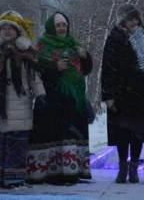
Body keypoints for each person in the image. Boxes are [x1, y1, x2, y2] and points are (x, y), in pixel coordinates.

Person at [0, 10, 46, 189]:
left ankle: (14, 177)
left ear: (18, 31)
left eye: (10, 28)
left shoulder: (27, 53)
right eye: (3, 28)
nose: (6, 31)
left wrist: (41, 95)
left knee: (15, 144)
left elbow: (35, 78)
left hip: (19, 106)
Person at [101, 4, 144, 184]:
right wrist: (108, 95)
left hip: (142, 92)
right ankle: (122, 168)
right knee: (122, 132)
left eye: (137, 19)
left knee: (138, 131)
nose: (134, 22)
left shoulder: (143, 36)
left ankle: (134, 168)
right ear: (123, 20)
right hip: (122, 93)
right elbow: (107, 68)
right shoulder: (114, 38)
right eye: (131, 19)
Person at [27, 12, 94, 185]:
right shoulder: (42, 46)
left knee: (71, 134)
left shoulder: (73, 45)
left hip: (73, 102)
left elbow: (85, 70)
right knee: (52, 134)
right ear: (51, 27)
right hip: (51, 101)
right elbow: (37, 70)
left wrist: (86, 57)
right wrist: (54, 67)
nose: (62, 28)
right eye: (58, 25)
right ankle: (51, 173)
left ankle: (72, 172)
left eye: (64, 25)